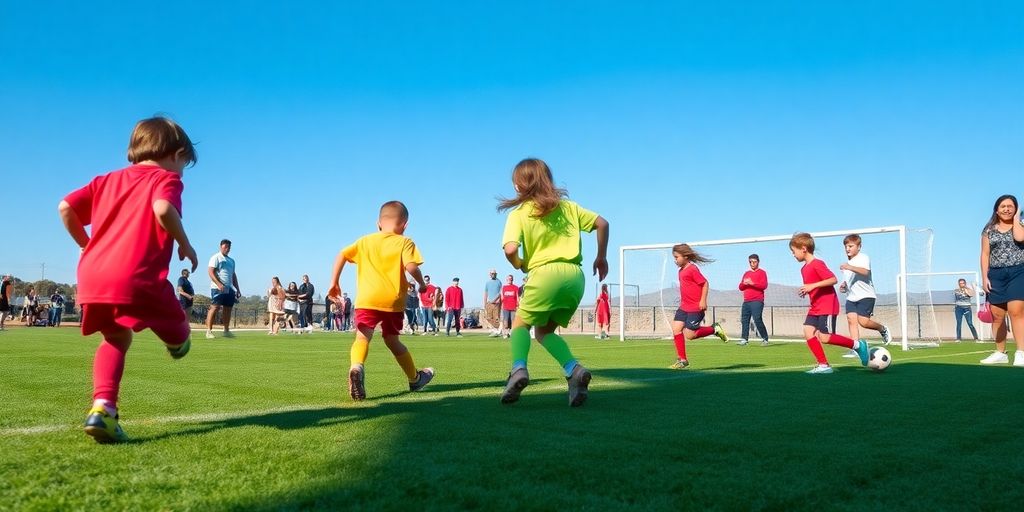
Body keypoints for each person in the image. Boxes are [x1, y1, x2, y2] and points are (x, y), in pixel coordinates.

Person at [58, 116, 198, 443]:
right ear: (176, 154)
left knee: (115, 339)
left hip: (93, 275)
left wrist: (85, 244)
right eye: (184, 165)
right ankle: (177, 342)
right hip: (138, 276)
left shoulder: (105, 180)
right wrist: (184, 243)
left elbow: (66, 207)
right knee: (180, 334)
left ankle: (103, 410)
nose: (181, 173)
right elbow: (163, 208)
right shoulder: (165, 178)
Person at [498, 158, 609, 407]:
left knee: (519, 326)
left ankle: (518, 369)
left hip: (544, 274)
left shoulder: (519, 214)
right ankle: (574, 371)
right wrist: (601, 257)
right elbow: (603, 223)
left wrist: (519, 264)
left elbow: (510, 249)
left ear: (518, 185)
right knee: (545, 331)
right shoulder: (568, 207)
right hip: (575, 276)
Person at [327, 200, 435, 400]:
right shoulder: (405, 242)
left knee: (362, 338)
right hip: (392, 301)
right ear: (405, 225)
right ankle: (414, 378)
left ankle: (357, 366)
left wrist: (334, 283)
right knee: (393, 340)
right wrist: (421, 284)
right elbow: (411, 267)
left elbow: (342, 254)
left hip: (367, 299)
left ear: (378, 223)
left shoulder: (364, 241)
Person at [790, 232, 870, 374]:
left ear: (803, 248)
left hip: (827, 304)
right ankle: (823, 365)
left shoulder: (817, 264)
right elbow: (814, 285)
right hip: (815, 306)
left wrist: (812, 286)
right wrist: (807, 290)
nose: (793, 255)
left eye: (793, 251)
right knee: (808, 331)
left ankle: (857, 345)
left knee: (825, 337)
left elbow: (832, 279)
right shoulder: (804, 268)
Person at [979, 194, 1024, 366]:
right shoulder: (988, 229)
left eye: (1010, 206)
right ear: (996, 210)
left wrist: (1017, 216)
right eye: (1003, 206)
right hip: (996, 275)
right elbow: (984, 254)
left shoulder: (1020, 225)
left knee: (1016, 311)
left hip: (1018, 271)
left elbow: (1020, 238)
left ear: (1015, 209)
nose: (1007, 209)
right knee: (997, 315)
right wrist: (985, 277)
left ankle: (1021, 353)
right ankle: (1000, 352)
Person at [667, 244, 729, 369]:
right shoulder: (681, 271)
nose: (675, 260)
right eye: (674, 257)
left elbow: (705, 283)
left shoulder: (692, 269)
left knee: (690, 335)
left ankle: (714, 329)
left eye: (676, 257)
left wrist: (703, 301)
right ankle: (683, 360)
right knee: (676, 330)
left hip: (695, 307)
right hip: (684, 306)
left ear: (686, 256)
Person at [838, 234, 892, 359]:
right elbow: (850, 281)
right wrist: (844, 286)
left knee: (863, 322)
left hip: (866, 295)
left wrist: (849, 266)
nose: (848, 249)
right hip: (851, 297)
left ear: (859, 247)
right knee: (851, 320)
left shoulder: (863, 258)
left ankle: (882, 329)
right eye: (846, 246)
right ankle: (855, 349)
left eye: (851, 246)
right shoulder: (848, 265)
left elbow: (865, 272)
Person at [205, 239, 241, 339]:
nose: (227, 249)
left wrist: (237, 289)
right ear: (221, 247)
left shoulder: (231, 261)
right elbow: (210, 272)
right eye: (225, 247)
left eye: (229, 247)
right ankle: (209, 331)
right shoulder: (216, 257)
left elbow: (233, 275)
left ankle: (226, 330)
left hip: (229, 288)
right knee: (214, 307)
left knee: (228, 309)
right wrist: (218, 284)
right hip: (217, 288)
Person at [737, 254, 769, 346]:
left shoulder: (762, 273)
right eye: (750, 262)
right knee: (744, 320)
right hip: (746, 301)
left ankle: (765, 338)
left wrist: (752, 283)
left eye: (754, 262)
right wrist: (745, 283)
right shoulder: (746, 273)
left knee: (757, 319)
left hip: (757, 301)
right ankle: (744, 339)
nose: (752, 263)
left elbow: (764, 286)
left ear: (758, 262)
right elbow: (740, 287)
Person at [483, 269, 502, 337]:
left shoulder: (499, 282)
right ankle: (497, 330)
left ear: (496, 274)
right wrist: (485, 303)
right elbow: (486, 293)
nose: (493, 274)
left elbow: (500, 293)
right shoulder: (487, 283)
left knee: (496, 318)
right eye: (492, 273)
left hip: (497, 303)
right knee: (488, 318)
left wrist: (495, 299)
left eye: (494, 273)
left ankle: (496, 331)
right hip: (489, 303)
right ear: (490, 274)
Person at [500, 274, 520, 339]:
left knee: (513, 320)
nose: (509, 280)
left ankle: (512, 333)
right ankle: (506, 333)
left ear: (512, 280)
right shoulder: (504, 287)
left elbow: (517, 297)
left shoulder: (516, 287)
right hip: (505, 307)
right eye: (508, 279)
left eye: (511, 279)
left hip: (513, 307)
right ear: (506, 280)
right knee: (506, 321)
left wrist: (518, 305)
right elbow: (502, 297)